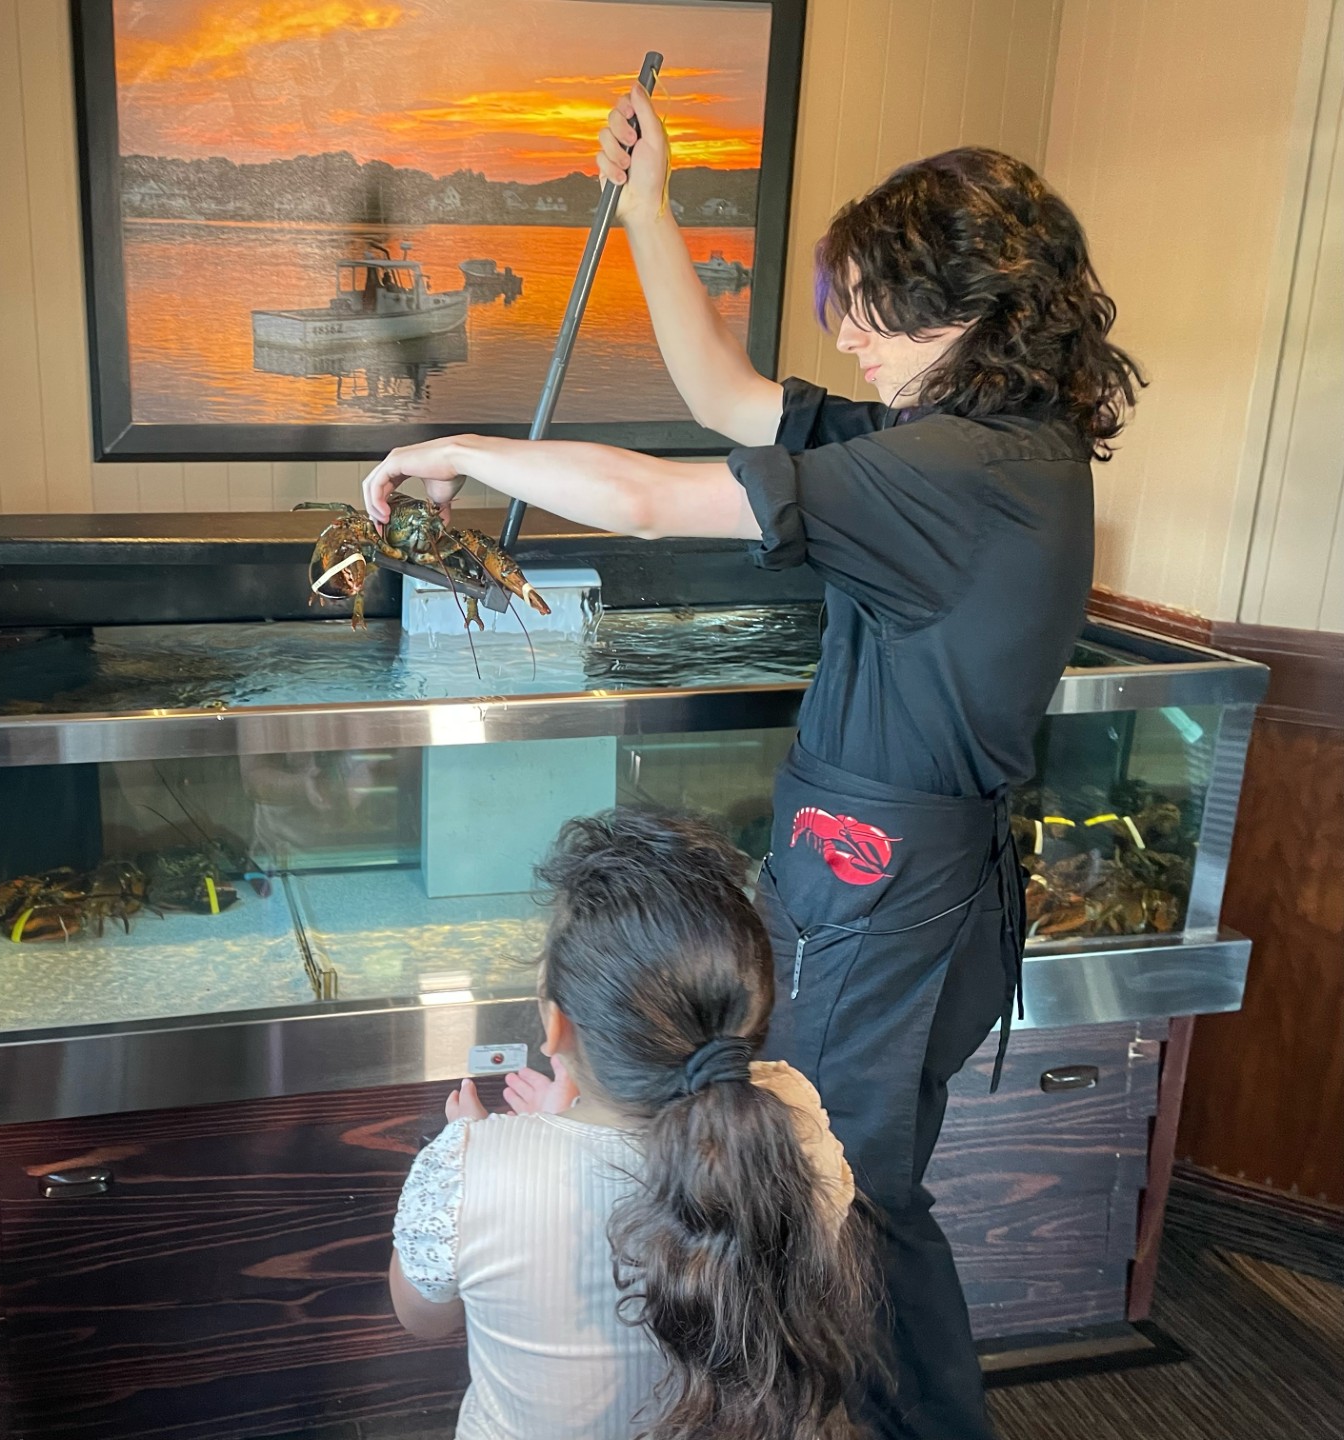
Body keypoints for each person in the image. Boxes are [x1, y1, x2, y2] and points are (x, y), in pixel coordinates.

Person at [362, 90, 1144, 1440]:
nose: (838, 322)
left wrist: (453, 446)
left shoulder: (961, 471)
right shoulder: (981, 446)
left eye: (861, 294)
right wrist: (653, 208)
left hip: (882, 890)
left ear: (959, 305)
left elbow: (663, 497)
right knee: (863, 1191)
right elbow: (726, 400)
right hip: (902, 877)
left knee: (856, 1207)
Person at [388, 809, 871, 1440]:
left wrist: (496, 1146)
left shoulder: (465, 1169)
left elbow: (423, 1319)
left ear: (554, 1025)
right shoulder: (793, 1126)